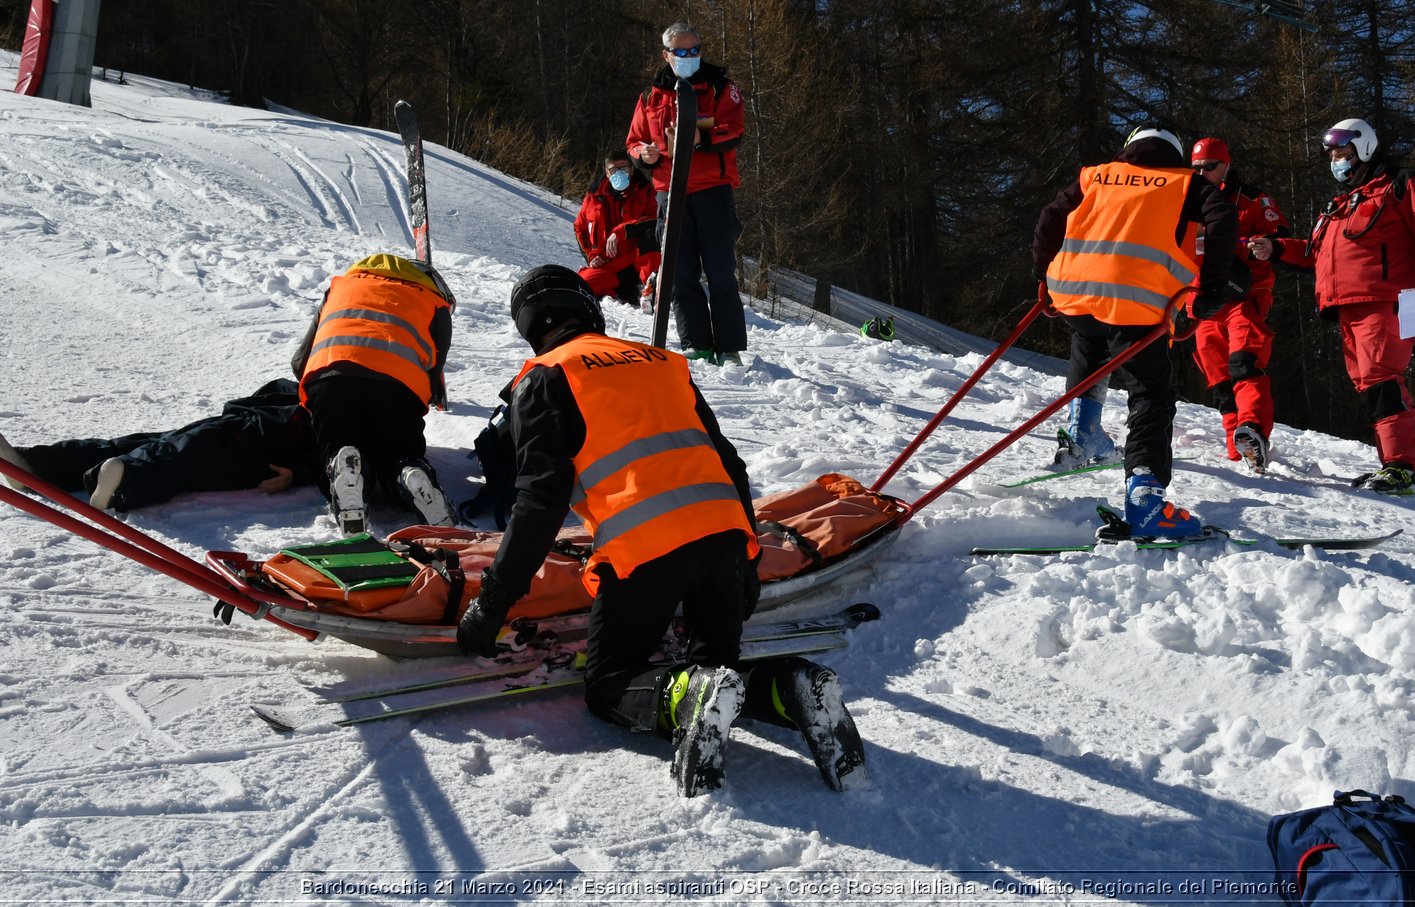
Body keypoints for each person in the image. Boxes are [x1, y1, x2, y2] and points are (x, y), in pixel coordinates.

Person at [454, 266, 865, 796]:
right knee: (717, 668)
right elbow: (731, 465)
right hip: (723, 541)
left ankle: (690, 699)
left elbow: (539, 502)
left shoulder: (544, 377)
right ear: (589, 308)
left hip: (645, 555)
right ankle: (791, 686)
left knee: (609, 686)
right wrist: (746, 559)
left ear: (530, 327)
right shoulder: (663, 362)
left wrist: (492, 603)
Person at [1033, 124, 1244, 538]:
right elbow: (1223, 219)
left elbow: (1049, 216)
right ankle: (1145, 497)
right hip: (1136, 304)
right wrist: (1212, 289)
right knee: (1151, 394)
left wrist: (1042, 274)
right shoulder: (1185, 184)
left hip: (1074, 294)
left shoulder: (1095, 175)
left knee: (1089, 341)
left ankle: (1084, 432)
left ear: (1130, 149)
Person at [1248, 118, 1415, 495]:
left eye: (1341, 152)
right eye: (1330, 153)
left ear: (1363, 147)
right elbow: (1315, 254)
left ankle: (1405, 468)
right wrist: (1276, 248)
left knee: (1382, 378)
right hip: (1346, 307)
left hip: (1384, 300)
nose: (1334, 159)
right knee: (1370, 384)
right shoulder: (1340, 204)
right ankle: (1393, 466)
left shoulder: (1399, 184)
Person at [292, 253, 457, 534]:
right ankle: (409, 473)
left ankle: (346, 468)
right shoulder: (432, 302)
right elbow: (435, 371)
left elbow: (300, 360)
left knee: (338, 445)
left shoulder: (339, 288)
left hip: (329, 380)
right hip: (397, 387)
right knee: (399, 452)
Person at [0, 379, 315, 512]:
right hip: (249, 421)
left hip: (266, 452)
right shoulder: (334, 379)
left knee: (182, 455)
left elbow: (348, 467)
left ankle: (125, 481)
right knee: (150, 443)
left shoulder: (355, 411)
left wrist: (295, 474)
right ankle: (36, 466)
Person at [626, 21, 748, 365]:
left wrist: (702, 139)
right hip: (670, 192)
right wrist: (643, 154)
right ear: (667, 55)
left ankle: (729, 347)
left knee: (721, 269)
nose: (689, 56)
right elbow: (634, 141)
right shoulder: (652, 95)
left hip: (712, 191)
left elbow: (735, 129)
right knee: (679, 272)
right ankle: (696, 343)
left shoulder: (721, 86)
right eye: (681, 52)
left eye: (695, 50)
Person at [1189, 137, 1287, 472]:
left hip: (1245, 295)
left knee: (1244, 360)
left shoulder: (1252, 200)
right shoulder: (1185, 201)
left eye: (1210, 167)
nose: (1203, 173)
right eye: (1197, 168)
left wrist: (1266, 246)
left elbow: (1281, 236)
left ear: (1226, 165)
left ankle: (1253, 429)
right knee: (1215, 371)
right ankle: (1237, 442)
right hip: (1204, 298)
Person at [573, 151, 661, 306]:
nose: (619, 174)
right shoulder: (593, 197)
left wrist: (622, 231)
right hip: (611, 265)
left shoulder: (646, 191)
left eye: (624, 169)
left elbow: (654, 221)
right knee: (581, 286)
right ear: (607, 173)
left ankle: (648, 287)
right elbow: (580, 228)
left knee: (651, 234)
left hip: (637, 259)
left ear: (632, 170)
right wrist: (591, 256)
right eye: (614, 170)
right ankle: (627, 292)